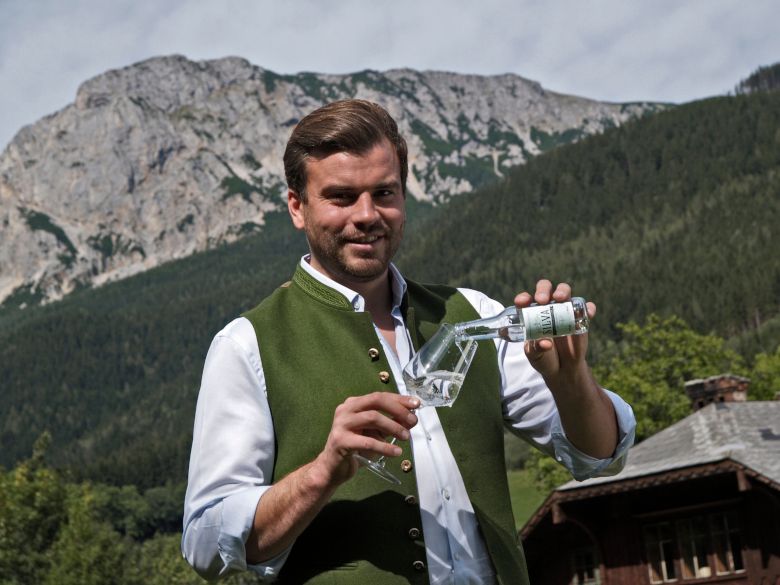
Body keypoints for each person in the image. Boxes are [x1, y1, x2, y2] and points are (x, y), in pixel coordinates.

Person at [182, 99, 635, 584]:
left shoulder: (471, 312)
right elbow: (205, 544)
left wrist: (570, 382)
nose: (367, 215)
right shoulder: (247, 345)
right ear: (297, 207)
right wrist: (322, 473)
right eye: (340, 197)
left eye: (384, 192)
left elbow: (600, 456)